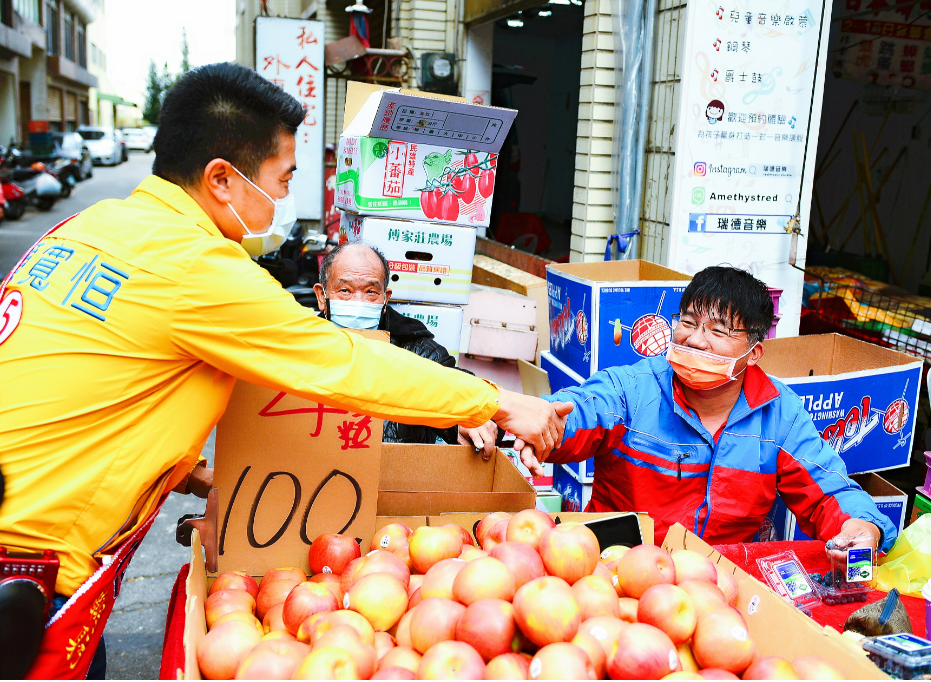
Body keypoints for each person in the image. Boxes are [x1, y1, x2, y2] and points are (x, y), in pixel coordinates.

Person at [0, 63, 569, 677]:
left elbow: (90, 384)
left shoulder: (90, 227)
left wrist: (184, 470)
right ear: (222, 178)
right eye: (282, 177)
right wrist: (497, 402)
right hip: (27, 572)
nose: (285, 196)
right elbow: (342, 364)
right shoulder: (195, 266)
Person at [545, 266, 897, 554]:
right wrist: (517, 419)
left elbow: (828, 491)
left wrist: (861, 525)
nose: (696, 339)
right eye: (688, 322)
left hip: (719, 584)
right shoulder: (633, 388)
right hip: (616, 566)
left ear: (753, 353)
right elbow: (573, 413)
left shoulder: (779, 414)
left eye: (718, 330)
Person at [314, 241, 501, 457]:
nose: (359, 302)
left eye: (371, 292)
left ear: (386, 299)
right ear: (322, 296)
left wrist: (466, 419)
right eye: (345, 290)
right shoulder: (299, 349)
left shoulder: (417, 350)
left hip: (396, 483)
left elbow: (472, 396)